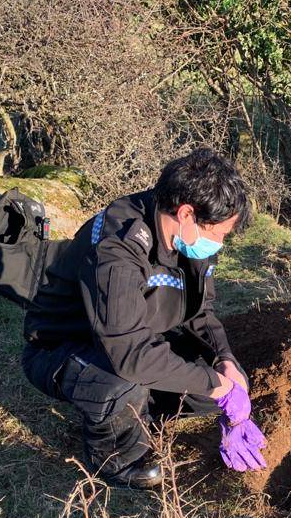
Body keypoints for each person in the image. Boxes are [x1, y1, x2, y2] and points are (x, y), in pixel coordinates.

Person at [21, 148, 267, 489]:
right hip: (64, 347)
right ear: (186, 213)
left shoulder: (187, 239)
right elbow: (128, 352)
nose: (220, 244)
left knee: (205, 380)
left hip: (139, 335)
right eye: (220, 234)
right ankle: (118, 459)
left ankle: (142, 411)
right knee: (125, 380)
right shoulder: (116, 245)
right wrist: (216, 386)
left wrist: (223, 361)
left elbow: (201, 312)